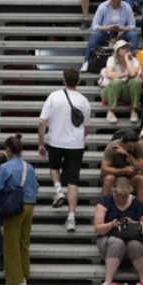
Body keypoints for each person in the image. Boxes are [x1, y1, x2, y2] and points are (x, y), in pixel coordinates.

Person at [39, 68, 91, 232]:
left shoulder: (54, 97)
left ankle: (58, 190)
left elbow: (42, 122)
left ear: (63, 80)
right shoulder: (84, 100)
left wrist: (41, 143)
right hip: (76, 144)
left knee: (54, 167)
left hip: (55, 140)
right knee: (73, 180)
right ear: (79, 81)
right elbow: (87, 127)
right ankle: (71, 218)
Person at [0, 134, 39, 285]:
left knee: (11, 244)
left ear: (9, 150)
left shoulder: (5, 167)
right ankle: (24, 273)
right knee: (24, 242)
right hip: (29, 206)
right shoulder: (29, 167)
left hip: (14, 207)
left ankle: (15, 281)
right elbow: (35, 186)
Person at [93, 177, 143, 285]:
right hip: (108, 238)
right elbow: (98, 228)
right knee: (117, 243)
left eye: (125, 196)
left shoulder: (136, 203)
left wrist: (134, 223)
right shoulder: (104, 202)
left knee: (134, 245)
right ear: (113, 192)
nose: (122, 199)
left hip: (131, 237)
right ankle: (108, 281)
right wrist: (112, 224)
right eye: (119, 196)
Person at [80, 0, 138, 73]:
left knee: (133, 34)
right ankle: (87, 61)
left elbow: (132, 25)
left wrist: (122, 28)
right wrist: (107, 28)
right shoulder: (103, 6)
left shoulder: (126, 7)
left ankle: (131, 59)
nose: (116, 4)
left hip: (121, 33)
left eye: (118, 2)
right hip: (106, 32)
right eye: (113, 1)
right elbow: (95, 26)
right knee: (95, 35)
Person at [101, 129, 143, 216]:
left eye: (134, 147)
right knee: (109, 178)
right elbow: (104, 169)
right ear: (122, 144)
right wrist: (123, 171)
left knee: (141, 179)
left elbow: (140, 169)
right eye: (130, 147)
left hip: (132, 177)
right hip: (116, 177)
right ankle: (104, 211)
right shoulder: (112, 146)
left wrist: (128, 154)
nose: (133, 149)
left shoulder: (140, 145)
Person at [100, 40, 142, 124]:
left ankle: (134, 111)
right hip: (109, 91)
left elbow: (133, 74)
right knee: (116, 82)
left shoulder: (134, 60)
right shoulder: (111, 59)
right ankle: (111, 111)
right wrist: (126, 74)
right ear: (117, 51)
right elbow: (110, 74)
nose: (126, 49)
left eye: (127, 47)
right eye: (123, 47)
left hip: (125, 92)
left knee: (136, 81)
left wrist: (127, 59)